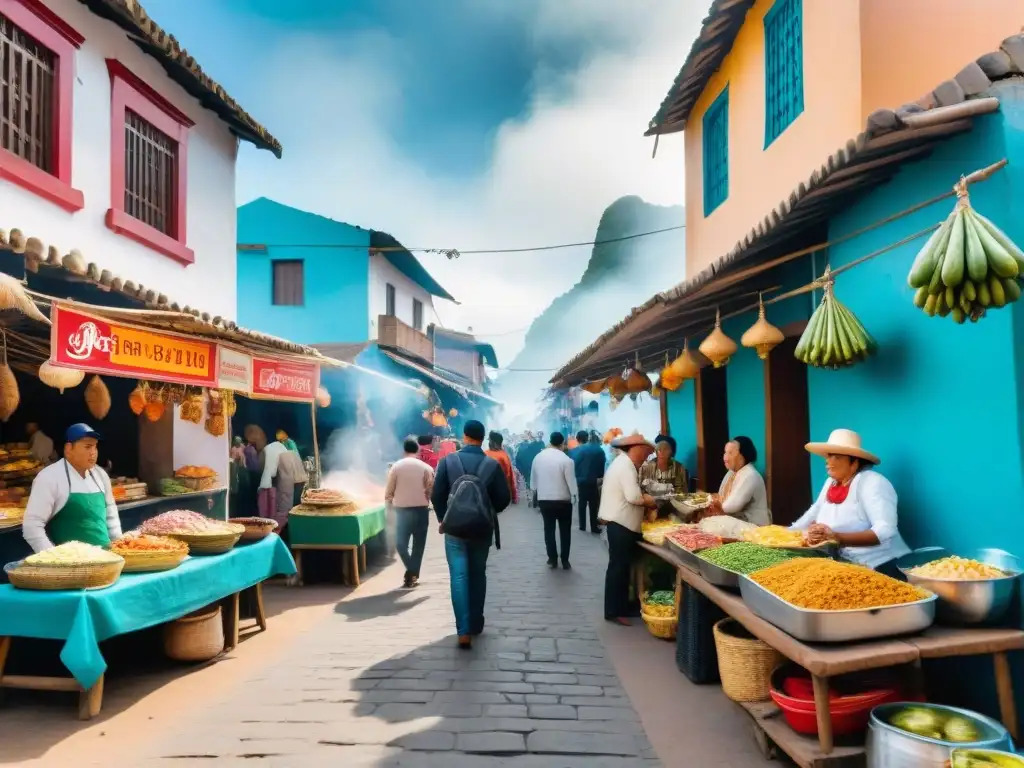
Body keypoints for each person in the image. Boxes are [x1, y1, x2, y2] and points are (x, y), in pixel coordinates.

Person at [431, 420, 511, 649]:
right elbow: (503, 498)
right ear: (482, 438)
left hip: (454, 529)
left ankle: (463, 631)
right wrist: (487, 511)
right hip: (481, 529)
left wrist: (443, 517)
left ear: (465, 436)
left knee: (458, 576)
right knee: (478, 574)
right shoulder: (491, 464)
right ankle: (476, 622)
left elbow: (437, 495)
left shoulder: (448, 461)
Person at [790, 429, 910, 575]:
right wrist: (789, 534)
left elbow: (885, 529)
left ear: (854, 462)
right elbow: (815, 510)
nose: (828, 461)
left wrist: (838, 538)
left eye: (836, 457)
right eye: (828, 456)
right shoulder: (831, 482)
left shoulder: (872, 482)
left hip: (877, 564)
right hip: (841, 561)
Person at [22, 424, 122, 552]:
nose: (93, 452)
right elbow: (32, 525)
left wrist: (119, 547)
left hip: (108, 558)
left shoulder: (100, 475)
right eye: (87, 447)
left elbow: (111, 514)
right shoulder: (49, 477)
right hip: (72, 565)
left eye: (95, 446)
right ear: (69, 449)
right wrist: (53, 558)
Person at [599, 434, 657, 626]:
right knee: (618, 568)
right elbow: (633, 497)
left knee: (621, 568)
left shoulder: (623, 464)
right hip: (620, 524)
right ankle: (614, 610)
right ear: (636, 449)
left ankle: (621, 606)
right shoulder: (626, 466)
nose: (646, 456)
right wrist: (650, 501)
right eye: (645, 452)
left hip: (620, 523)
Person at [386, 438, 434, 588]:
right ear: (418, 450)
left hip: (402, 512)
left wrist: (388, 509)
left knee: (401, 544)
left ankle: (411, 574)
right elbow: (431, 490)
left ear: (404, 450)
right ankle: (413, 573)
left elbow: (389, 492)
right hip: (421, 511)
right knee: (418, 546)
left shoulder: (395, 467)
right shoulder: (427, 468)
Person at [531, 432, 578, 569]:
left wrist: (536, 492)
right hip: (563, 500)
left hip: (545, 499)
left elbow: (533, 482)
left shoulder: (538, 458)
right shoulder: (566, 460)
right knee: (565, 531)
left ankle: (552, 558)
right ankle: (565, 560)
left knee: (549, 529)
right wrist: (575, 497)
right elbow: (571, 483)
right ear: (562, 444)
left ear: (550, 441)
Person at [705, 437, 771, 525]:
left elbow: (731, 506)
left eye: (730, 453)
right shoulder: (731, 472)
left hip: (754, 525)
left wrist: (711, 506)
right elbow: (720, 496)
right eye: (725, 452)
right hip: (739, 521)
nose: (725, 457)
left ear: (742, 456)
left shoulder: (750, 475)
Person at [570, 430, 605, 534]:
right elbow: (601, 466)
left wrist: (576, 476)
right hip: (594, 480)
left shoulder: (580, 450)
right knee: (593, 504)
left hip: (581, 480)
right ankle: (594, 527)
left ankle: (582, 526)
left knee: (582, 503)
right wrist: (600, 476)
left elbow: (575, 464)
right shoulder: (600, 451)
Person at [485, 431, 518, 505]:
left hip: (489, 493)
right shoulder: (503, 455)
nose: (488, 443)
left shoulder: (485, 454)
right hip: (499, 493)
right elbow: (510, 477)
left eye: (489, 440)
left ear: (494, 442)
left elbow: (510, 477)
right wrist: (514, 496)